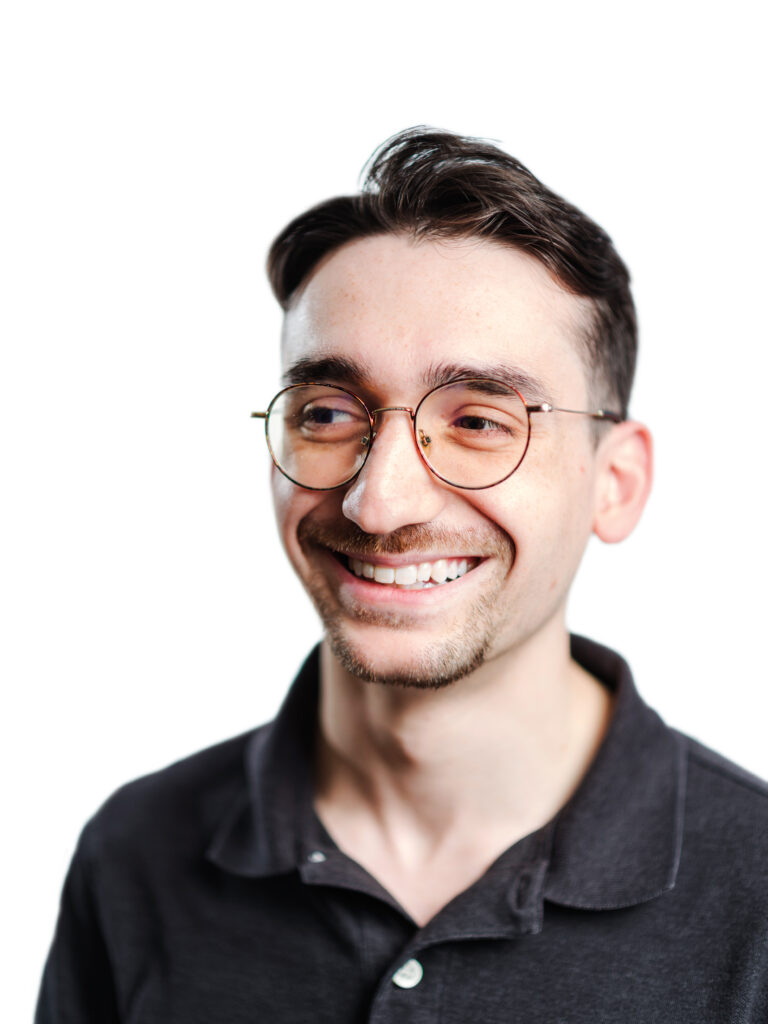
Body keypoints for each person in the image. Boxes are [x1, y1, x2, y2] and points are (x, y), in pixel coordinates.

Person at [36, 128, 768, 1023]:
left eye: (479, 422)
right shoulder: (136, 857)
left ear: (614, 485)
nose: (378, 502)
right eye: (331, 412)